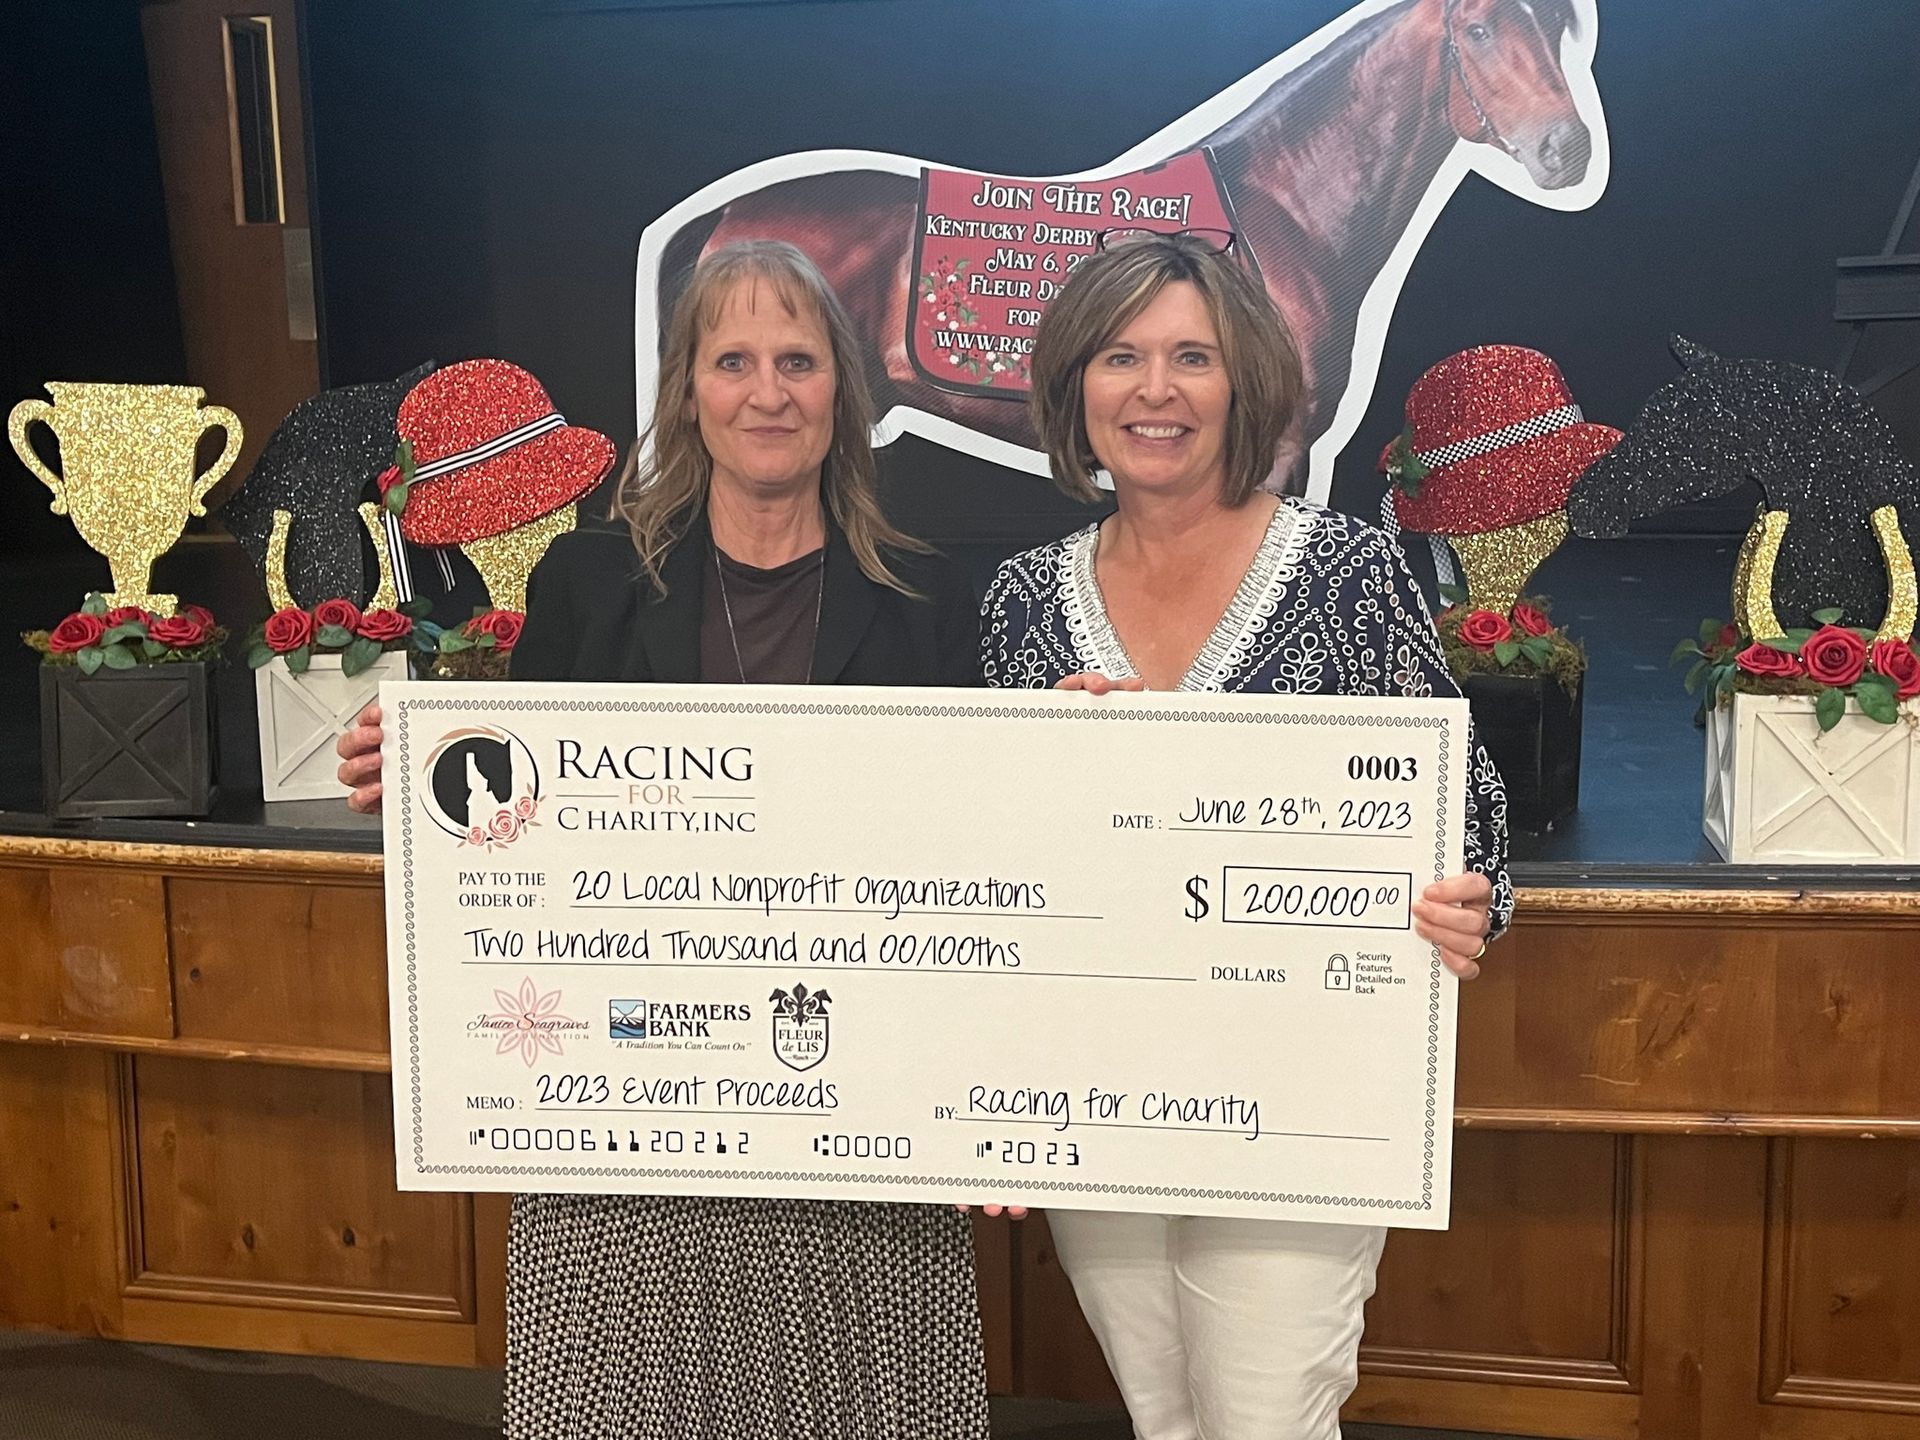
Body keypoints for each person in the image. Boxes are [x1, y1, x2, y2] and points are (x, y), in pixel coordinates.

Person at [336, 240, 988, 1440]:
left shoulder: (934, 602)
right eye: (731, 359)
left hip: (862, 1130)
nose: (767, 392)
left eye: (797, 361)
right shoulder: (588, 586)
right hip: (626, 1125)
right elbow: (510, 835)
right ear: (687, 389)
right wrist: (422, 764)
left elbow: (984, 860)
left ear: (842, 389)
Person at [979, 229, 1512, 1440]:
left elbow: (1465, 804)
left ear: (1245, 384)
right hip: (1095, 1093)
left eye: (1191, 358)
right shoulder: (1021, 600)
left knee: (1268, 1420)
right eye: (1121, 358)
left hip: (1299, 1089)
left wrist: (1467, 902)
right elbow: (996, 877)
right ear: (1076, 389)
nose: (1155, 391)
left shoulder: (1348, 570)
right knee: (1165, 1417)